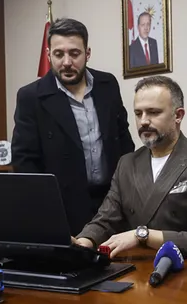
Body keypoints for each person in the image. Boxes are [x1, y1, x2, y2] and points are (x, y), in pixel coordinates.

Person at [74, 76, 187, 259]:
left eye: (153, 112)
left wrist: (142, 236)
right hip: (138, 266)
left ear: (178, 116)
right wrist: (83, 242)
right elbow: (105, 219)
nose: (143, 121)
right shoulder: (127, 163)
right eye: (138, 113)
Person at [11, 18, 135, 235]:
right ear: (48, 54)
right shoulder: (31, 97)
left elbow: (123, 139)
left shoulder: (107, 85)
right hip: (63, 208)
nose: (66, 62)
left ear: (87, 53)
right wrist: (44, 210)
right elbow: (25, 162)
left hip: (113, 203)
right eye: (59, 54)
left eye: (74, 53)